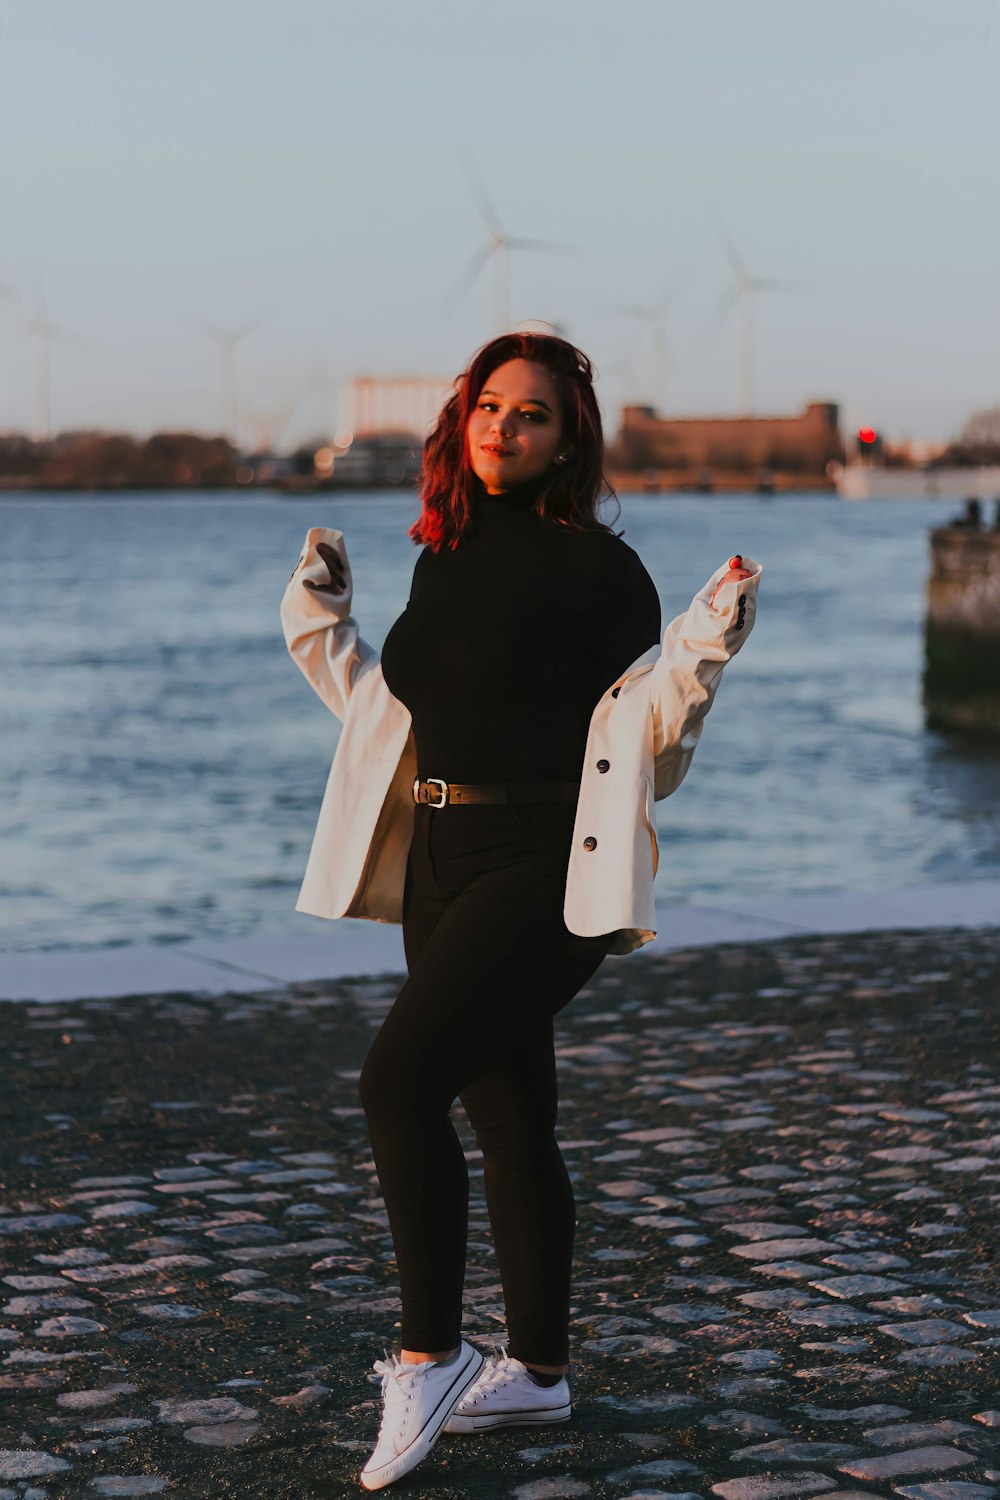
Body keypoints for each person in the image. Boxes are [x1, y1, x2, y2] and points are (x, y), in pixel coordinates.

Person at [280, 332, 761, 1491]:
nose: (504, 427)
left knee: (396, 1083)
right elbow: (401, 711)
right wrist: (319, 624)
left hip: (541, 862)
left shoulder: (601, 574)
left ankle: (429, 1355)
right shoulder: (441, 556)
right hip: (439, 856)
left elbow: (648, 734)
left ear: (568, 439)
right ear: (462, 422)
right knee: (510, 1119)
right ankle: (538, 1374)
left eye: (531, 414)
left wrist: (702, 644)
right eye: (488, 407)